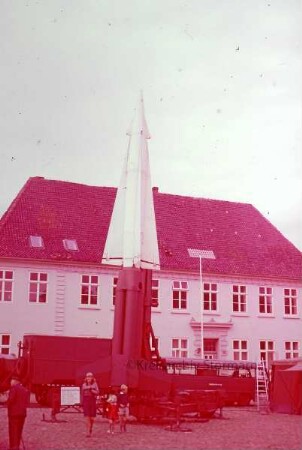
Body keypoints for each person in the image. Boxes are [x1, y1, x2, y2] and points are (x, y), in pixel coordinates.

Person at [7, 375, 30, 450]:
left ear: (15, 381)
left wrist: (7, 403)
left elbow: (11, 400)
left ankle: (14, 447)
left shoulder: (14, 388)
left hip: (13, 414)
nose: (10, 382)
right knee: (19, 430)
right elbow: (27, 403)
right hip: (22, 413)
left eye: (11, 380)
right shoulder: (25, 390)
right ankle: (17, 445)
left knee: (13, 431)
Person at [81, 372, 99, 437]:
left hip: (92, 401)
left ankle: (90, 428)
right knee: (87, 417)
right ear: (86, 378)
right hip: (86, 401)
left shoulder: (95, 384)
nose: (89, 378)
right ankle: (87, 432)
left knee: (92, 418)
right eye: (88, 376)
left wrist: (92, 390)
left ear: (92, 377)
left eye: (90, 376)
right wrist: (81, 402)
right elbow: (82, 392)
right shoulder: (83, 384)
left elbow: (97, 392)